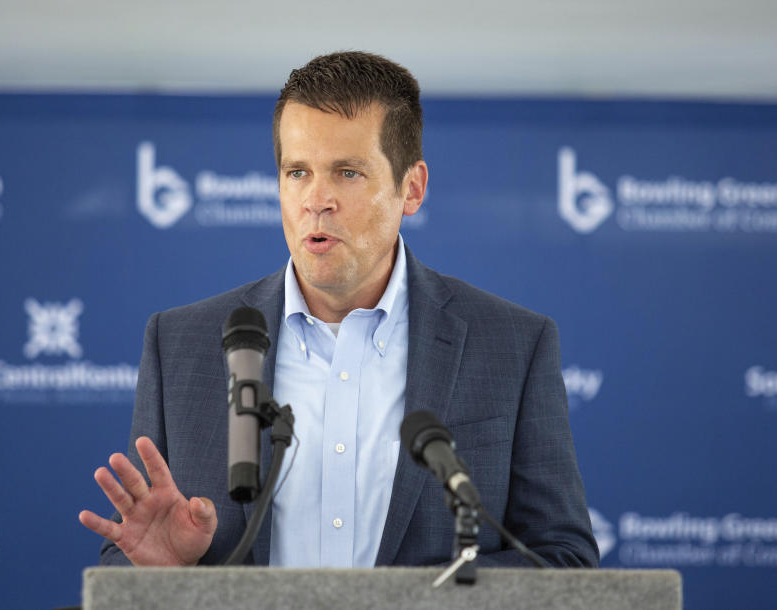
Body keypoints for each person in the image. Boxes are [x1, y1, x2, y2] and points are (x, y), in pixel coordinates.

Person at [79, 51, 598, 568]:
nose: (316, 199)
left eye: (347, 173)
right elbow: (132, 560)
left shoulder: (512, 345)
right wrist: (164, 576)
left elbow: (564, 558)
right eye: (297, 172)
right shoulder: (180, 344)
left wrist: (412, 605)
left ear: (411, 188)